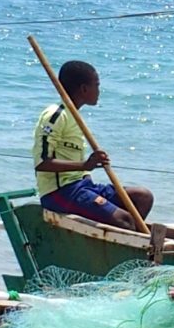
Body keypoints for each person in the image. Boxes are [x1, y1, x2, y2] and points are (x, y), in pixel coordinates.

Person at [32, 60, 154, 231]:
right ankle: (124, 247)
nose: (99, 90)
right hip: (60, 193)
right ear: (84, 89)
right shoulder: (56, 115)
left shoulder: (75, 115)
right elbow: (42, 163)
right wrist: (85, 165)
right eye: (96, 85)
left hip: (82, 186)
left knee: (143, 197)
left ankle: (122, 240)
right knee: (125, 220)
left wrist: (86, 173)